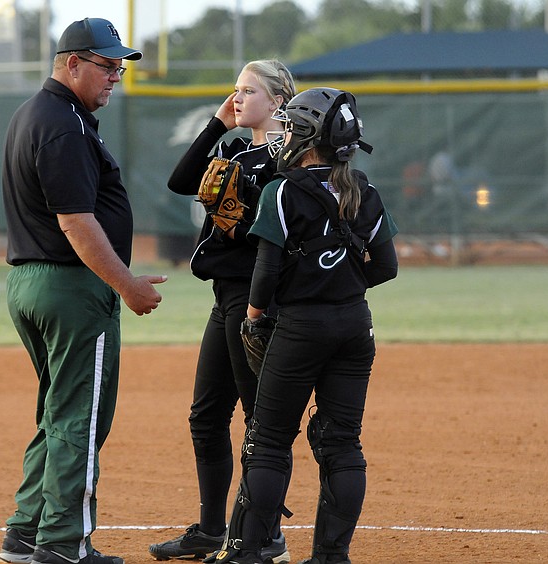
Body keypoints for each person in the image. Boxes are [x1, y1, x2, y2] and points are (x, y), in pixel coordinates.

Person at [0, 17, 166, 564]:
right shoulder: (63, 125)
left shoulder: (38, 114)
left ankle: (27, 531)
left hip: (33, 282)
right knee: (81, 417)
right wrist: (129, 285)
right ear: (73, 63)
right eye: (107, 65)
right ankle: (65, 544)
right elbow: (75, 221)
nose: (116, 75)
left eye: (120, 66)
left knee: (58, 411)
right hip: (70, 288)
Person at [212, 87, 399, 564]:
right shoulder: (365, 190)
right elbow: (386, 267)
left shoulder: (282, 189)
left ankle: (247, 552)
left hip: (299, 328)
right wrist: (340, 283)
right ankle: (331, 556)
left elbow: (266, 271)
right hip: (355, 326)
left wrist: (255, 317)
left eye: (295, 128)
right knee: (342, 442)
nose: (290, 134)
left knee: (269, 441)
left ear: (308, 136)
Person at [149, 60, 297, 563]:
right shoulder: (236, 149)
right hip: (224, 301)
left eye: (248, 91)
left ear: (278, 100)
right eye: (234, 90)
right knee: (206, 416)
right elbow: (179, 180)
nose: (237, 98)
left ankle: (265, 534)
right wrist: (217, 124)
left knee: (261, 422)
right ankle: (212, 530)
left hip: (257, 300)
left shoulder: (289, 159)